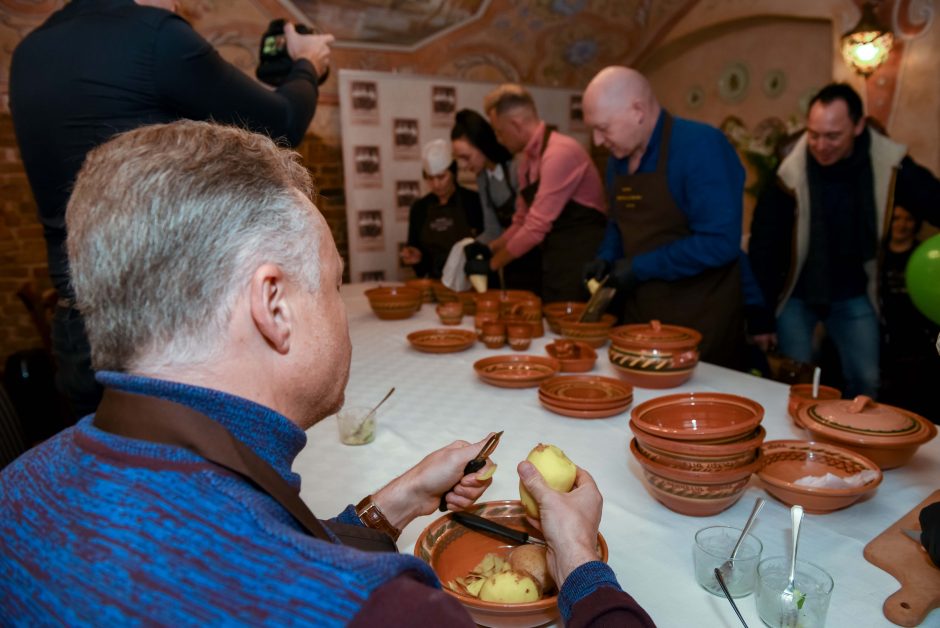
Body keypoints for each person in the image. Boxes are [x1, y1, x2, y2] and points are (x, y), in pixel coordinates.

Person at [0, 121, 655, 627]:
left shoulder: (16, 489)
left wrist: (396, 501)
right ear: (273, 305)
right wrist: (581, 566)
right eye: (334, 286)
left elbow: (259, 545)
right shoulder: (381, 611)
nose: (343, 312)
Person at [9, 0, 334, 421]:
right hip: (169, 331)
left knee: (114, 478)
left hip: (79, 324)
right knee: (212, 474)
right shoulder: (155, 35)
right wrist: (307, 63)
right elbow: (283, 122)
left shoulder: (29, 52)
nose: (181, 5)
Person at [748, 83, 940, 398]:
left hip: (853, 292)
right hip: (795, 295)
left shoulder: (887, 163)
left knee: (867, 381)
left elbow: (932, 197)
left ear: (858, 126)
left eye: (832, 136)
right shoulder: (788, 174)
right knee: (795, 386)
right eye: (813, 134)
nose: (821, 145)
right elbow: (763, 246)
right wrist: (760, 316)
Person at [581, 66, 749, 369]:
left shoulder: (701, 147)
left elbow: (719, 243)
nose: (597, 140)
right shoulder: (617, 159)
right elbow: (619, 223)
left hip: (699, 320)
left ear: (638, 111)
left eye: (603, 128)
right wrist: (606, 257)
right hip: (640, 317)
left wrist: (640, 267)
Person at [477, 84, 607, 303]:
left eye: (499, 131)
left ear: (516, 124)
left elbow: (535, 228)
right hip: (555, 261)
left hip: (583, 262)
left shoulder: (560, 153)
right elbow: (521, 221)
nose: (499, 139)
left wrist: (491, 265)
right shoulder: (526, 162)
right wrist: (488, 248)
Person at [450, 109, 541, 291]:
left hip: (533, 254)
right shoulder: (483, 178)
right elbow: (492, 229)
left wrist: (491, 253)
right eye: (459, 160)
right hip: (509, 256)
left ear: (481, 144)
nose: (464, 166)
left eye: (466, 157)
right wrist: (470, 249)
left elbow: (527, 224)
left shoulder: (516, 166)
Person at [879, 206, 940, 422]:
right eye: (896, 218)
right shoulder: (877, 256)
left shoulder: (927, 254)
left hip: (918, 338)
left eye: (908, 219)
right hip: (883, 333)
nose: (902, 225)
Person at [400, 139, 484, 279]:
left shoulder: (474, 202)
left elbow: (486, 248)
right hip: (435, 282)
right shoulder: (419, 208)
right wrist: (415, 257)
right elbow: (415, 252)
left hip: (470, 281)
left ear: (453, 173)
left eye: (441, 177)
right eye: (430, 179)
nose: (436, 184)